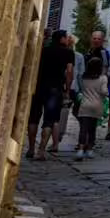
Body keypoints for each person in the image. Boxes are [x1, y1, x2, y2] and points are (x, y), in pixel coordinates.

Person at [26, 30, 74, 160]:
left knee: (33, 118)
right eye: (66, 37)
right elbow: (69, 72)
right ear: (62, 39)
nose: (67, 39)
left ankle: (30, 148)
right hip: (55, 88)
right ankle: (40, 151)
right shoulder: (68, 53)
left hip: (38, 87)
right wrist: (67, 90)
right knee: (49, 120)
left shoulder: (43, 50)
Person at [74, 49, 108, 159]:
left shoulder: (84, 77)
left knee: (83, 129)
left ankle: (80, 149)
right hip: (97, 105)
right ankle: (89, 150)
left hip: (85, 105)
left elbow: (81, 89)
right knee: (92, 129)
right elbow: (104, 91)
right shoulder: (103, 78)